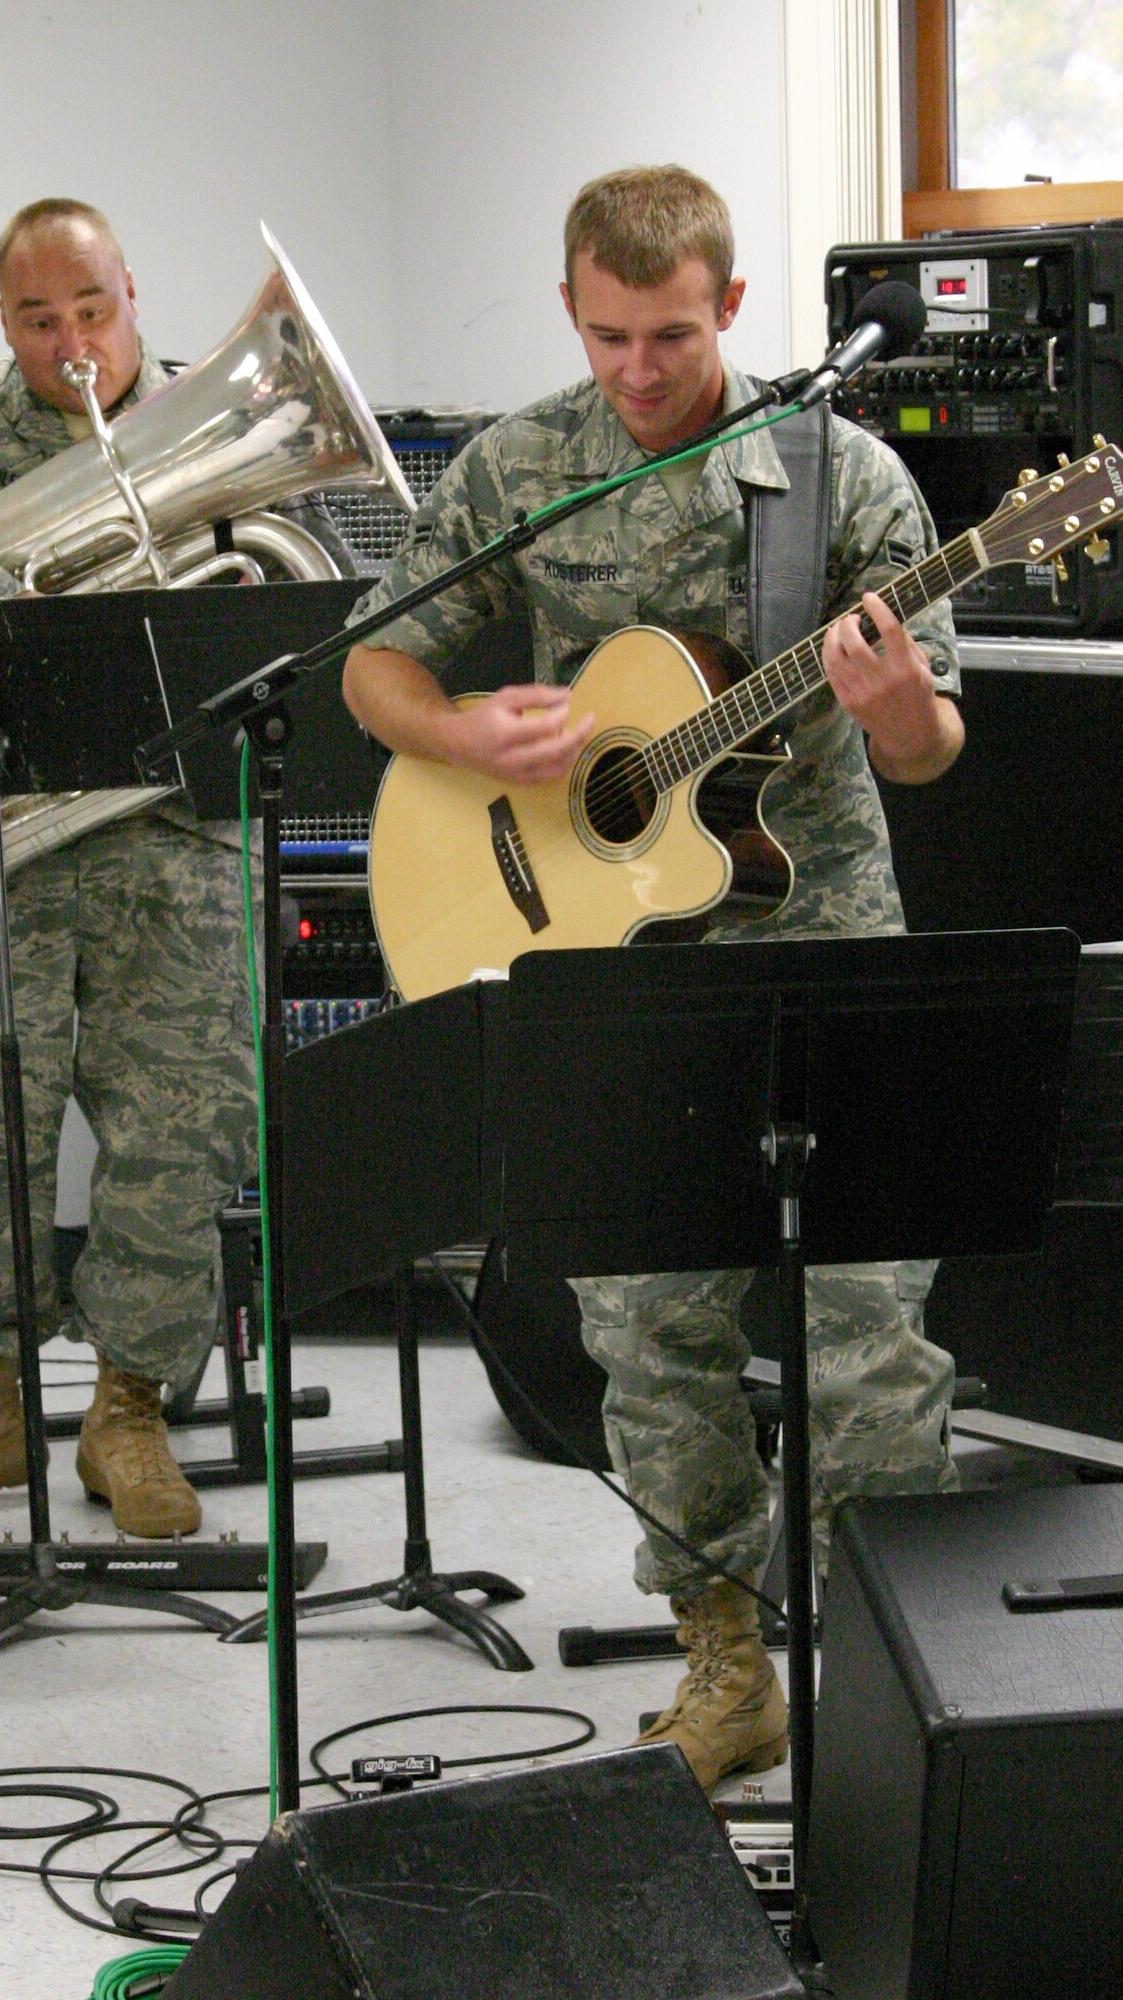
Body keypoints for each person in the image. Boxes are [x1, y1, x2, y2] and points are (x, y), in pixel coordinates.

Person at [342, 165, 965, 1792]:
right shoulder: (519, 465)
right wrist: (464, 728)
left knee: (870, 1337)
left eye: (672, 335)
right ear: (570, 309)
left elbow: (929, 747)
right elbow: (372, 660)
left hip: (823, 939)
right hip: (609, 949)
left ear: (735, 311)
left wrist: (888, 699)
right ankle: (724, 1663)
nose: (638, 369)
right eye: (610, 335)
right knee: (649, 1333)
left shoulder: (839, 478)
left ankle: (896, 1680)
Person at [0, 197, 348, 1539]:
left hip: (179, 844)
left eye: (90, 310)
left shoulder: (221, 412)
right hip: (4, 838)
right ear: (1, 320)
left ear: (134, 293)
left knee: (177, 1140)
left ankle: (131, 1413)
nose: (68, 342)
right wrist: (17, 605)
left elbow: (309, 596)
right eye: (34, 317)